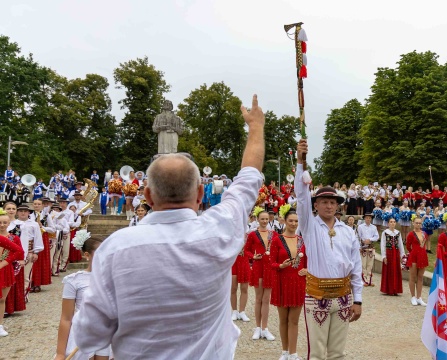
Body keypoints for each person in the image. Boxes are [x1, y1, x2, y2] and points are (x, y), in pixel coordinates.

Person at [73, 94, 264, 359]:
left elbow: (89, 336)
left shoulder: (116, 247)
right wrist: (256, 128)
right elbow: (248, 179)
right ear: (200, 194)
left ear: (148, 197)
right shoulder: (219, 229)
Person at [294, 138, 363, 360]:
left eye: (333, 202)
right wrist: (300, 163)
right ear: (316, 204)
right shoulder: (309, 225)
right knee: (316, 354)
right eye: (324, 201)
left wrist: (358, 299)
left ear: (338, 205)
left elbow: (356, 267)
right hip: (317, 296)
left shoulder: (347, 231)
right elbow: (301, 197)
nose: (329, 205)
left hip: (343, 298)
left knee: (337, 353)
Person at [55, 231, 110, 360]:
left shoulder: (113, 278)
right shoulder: (74, 280)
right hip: (83, 332)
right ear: (87, 255)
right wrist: (60, 353)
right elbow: (66, 318)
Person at [270, 207, 307, 360]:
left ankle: (293, 353)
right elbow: (271, 262)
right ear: (284, 221)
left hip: (298, 282)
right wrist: (280, 266)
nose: (293, 223)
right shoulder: (276, 240)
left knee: (294, 320)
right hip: (282, 281)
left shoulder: (302, 240)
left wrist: (307, 269)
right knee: (283, 319)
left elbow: (309, 261)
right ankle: (284, 351)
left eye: (296, 221)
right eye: (291, 220)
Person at [245, 209, 276, 341]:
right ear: (257, 219)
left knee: (266, 299)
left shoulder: (273, 234)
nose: (264, 221)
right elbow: (246, 250)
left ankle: (265, 328)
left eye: (266, 219)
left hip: (269, 269)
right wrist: (253, 257)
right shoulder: (253, 234)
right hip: (258, 267)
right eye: (262, 219)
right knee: (258, 298)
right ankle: (257, 327)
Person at [0, 209, 26, 337]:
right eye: (0, 222)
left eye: (5, 222)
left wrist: (5, 262)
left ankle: (0, 325)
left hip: (5, 270)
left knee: (2, 299)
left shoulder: (13, 238)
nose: (2, 225)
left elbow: (19, 252)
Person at [14, 204, 44, 299]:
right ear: (17, 212)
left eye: (25, 211)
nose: (23, 213)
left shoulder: (34, 224)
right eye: (21, 211)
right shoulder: (13, 223)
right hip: (15, 251)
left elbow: (38, 238)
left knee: (26, 275)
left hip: (29, 251)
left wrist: (36, 252)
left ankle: (24, 296)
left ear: (28, 213)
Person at [406, 216, 428, 306]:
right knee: (413, 277)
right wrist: (413, 252)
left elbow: (424, 244)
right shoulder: (411, 234)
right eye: (417, 223)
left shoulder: (424, 233)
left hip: (422, 255)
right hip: (414, 255)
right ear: (413, 223)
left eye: (420, 223)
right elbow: (408, 246)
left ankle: (419, 297)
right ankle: (413, 296)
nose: (418, 224)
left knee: (420, 277)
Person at [380, 217, 405, 296]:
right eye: (391, 222)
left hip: (396, 253)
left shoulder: (398, 233)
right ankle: (389, 289)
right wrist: (384, 256)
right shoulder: (385, 232)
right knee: (389, 270)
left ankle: (396, 289)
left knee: (396, 270)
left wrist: (402, 255)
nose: (392, 223)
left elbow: (400, 244)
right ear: (388, 223)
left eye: (394, 222)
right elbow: (383, 244)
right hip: (389, 252)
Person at [357, 213, 379, 287]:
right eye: (367, 218)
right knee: (363, 264)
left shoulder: (374, 227)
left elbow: (376, 236)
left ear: (371, 219)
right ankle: (364, 280)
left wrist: (370, 239)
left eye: (369, 218)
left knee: (370, 264)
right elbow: (358, 236)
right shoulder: (360, 227)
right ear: (364, 218)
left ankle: (370, 279)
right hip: (363, 247)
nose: (368, 219)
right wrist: (361, 243)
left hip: (370, 246)